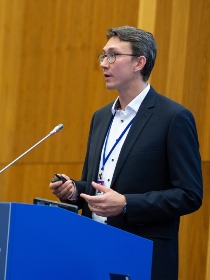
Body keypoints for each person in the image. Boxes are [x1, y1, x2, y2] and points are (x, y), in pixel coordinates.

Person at [49, 26, 203, 280]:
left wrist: (127, 204)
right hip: (92, 253)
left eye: (113, 55)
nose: (103, 64)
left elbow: (189, 194)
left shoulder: (173, 117)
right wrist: (76, 190)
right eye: (102, 56)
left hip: (142, 255)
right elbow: (100, 185)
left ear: (139, 63)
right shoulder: (100, 118)